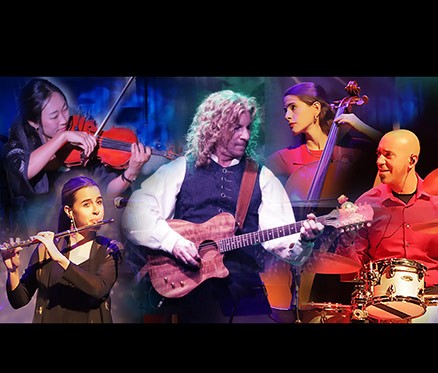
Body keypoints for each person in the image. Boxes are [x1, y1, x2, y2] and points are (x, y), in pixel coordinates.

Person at [121, 89, 324, 323]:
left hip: (244, 295)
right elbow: (136, 214)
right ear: (214, 128)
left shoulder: (261, 177)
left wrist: (305, 241)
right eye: (237, 127)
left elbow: (284, 244)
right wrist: (173, 242)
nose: (246, 135)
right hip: (189, 292)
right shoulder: (179, 169)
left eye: (248, 128)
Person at [263, 81, 383, 322]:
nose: (287, 115)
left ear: (316, 108)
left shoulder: (352, 153)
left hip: (347, 255)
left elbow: (396, 149)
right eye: (285, 110)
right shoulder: (286, 158)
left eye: (293, 108)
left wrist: (358, 125)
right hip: (299, 255)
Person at [1, 77, 151, 238]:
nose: (64, 120)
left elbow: (106, 192)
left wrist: (131, 173)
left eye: (65, 109)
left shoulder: (81, 139)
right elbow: (23, 170)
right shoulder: (17, 145)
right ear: (33, 122)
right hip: (37, 233)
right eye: (54, 116)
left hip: (80, 233)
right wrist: (63, 137)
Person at [335, 129, 438, 323]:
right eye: (378, 154)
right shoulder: (367, 203)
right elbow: (350, 271)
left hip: (432, 297)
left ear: (412, 161)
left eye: (388, 155)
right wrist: (346, 238)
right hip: (381, 303)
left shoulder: (436, 203)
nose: (379, 161)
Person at [0, 175, 123, 323]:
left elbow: (98, 289)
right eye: (87, 204)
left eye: (99, 202)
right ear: (69, 211)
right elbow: (19, 301)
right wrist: (13, 271)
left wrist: (59, 258)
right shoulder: (44, 250)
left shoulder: (111, 249)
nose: (97, 210)